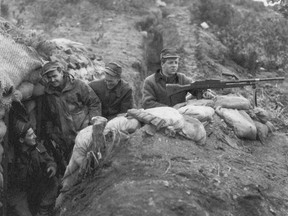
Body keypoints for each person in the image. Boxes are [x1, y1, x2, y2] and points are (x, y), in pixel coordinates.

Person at [40, 61, 102, 168]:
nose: (52, 80)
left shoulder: (78, 85)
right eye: (49, 78)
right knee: (73, 168)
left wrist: (92, 123)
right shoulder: (48, 94)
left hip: (83, 134)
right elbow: (47, 117)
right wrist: (52, 134)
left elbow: (94, 103)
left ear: (61, 72)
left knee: (90, 164)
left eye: (54, 76)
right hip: (65, 140)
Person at [7, 120, 58, 216]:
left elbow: (49, 160)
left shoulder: (37, 147)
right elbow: (12, 186)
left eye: (33, 133)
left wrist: (51, 167)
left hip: (35, 186)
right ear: (21, 140)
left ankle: (43, 211)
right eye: (30, 135)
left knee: (53, 182)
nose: (34, 136)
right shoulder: (13, 157)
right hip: (19, 193)